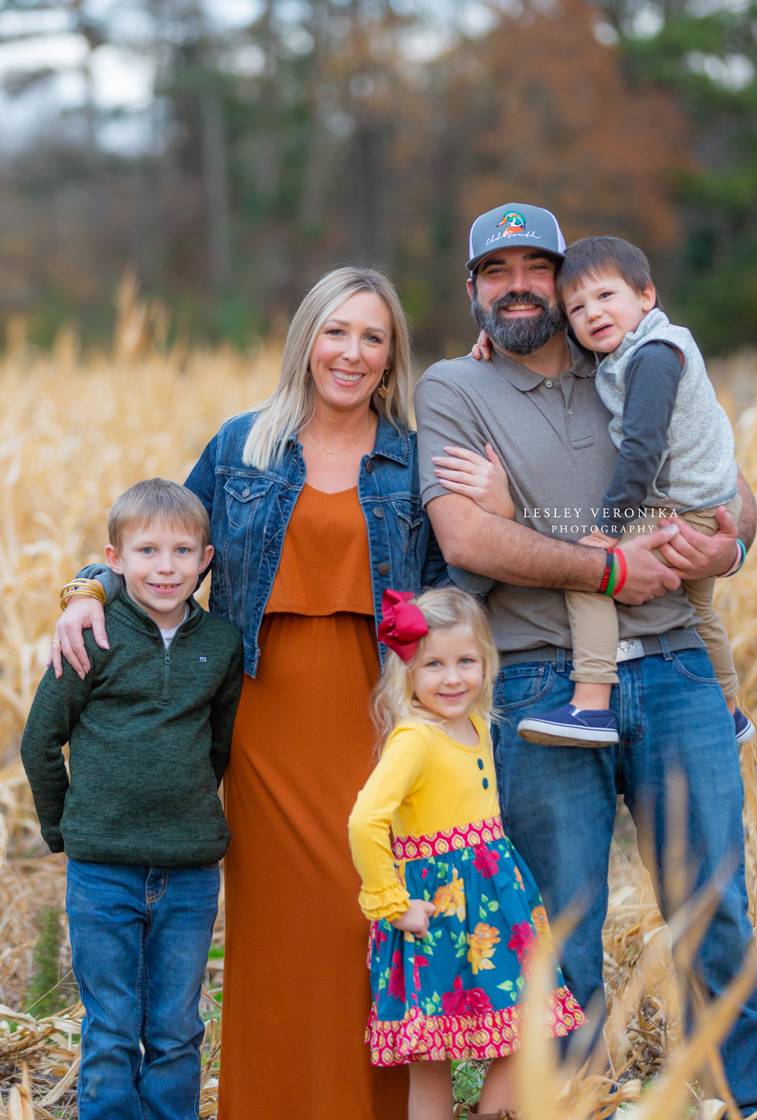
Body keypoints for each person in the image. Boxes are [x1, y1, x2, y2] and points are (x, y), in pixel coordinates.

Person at [51, 267, 449, 1119]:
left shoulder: (415, 459)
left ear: (391, 358)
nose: (351, 351)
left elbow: (458, 589)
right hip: (264, 717)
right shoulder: (243, 446)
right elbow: (159, 546)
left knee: (364, 918)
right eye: (336, 331)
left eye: (372, 337)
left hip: (379, 714)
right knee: (278, 935)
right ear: (306, 340)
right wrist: (84, 589)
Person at [414, 202, 757, 1116]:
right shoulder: (454, 389)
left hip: (676, 670)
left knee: (714, 911)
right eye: (497, 273)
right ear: (473, 291)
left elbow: (729, 489)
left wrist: (727, 549)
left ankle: (755, 1102)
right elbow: (465, 536)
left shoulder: (632, 355)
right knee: (560, 925)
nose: (520, 286)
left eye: (538, 268)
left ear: (566, 280)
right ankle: (573, 1101)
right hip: (541, 678)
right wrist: (611, 565)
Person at [21, 479, 244, 1120]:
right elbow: (41, 743)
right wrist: (67, 829)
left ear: (207, 559)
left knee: (177, 1026)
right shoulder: (89, 634)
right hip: (102, 869)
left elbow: (218, 746)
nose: (165, 567)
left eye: (182, 552)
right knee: (112, 1025)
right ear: (114, 561)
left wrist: (189, 805)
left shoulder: (220, 644)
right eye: (147, 552)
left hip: (189, 869)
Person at [494, 234, 753, 749]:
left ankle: (591, 704)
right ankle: (730, 711)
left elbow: (642, 450)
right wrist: (492, 345)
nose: (592, 314)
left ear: (647, 295)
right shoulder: (634, 345)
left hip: (684, 508)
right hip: (710, 500)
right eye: (577, 308)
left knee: (585, 569)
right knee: (699, 610)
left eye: (606, 297)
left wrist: (607, 531)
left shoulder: (654, 358)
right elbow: (544, 342)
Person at [348, 586, 585, 1120]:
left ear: (487, 662)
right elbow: (366, 821)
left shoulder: (476, 723)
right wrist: (391, 903)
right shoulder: (415, 738)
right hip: (434, 912)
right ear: (407, 671)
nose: (452, 678)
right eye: (434, 664)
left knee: (525, 1024)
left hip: (495, 901)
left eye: (466, 661)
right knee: (431, 1055)